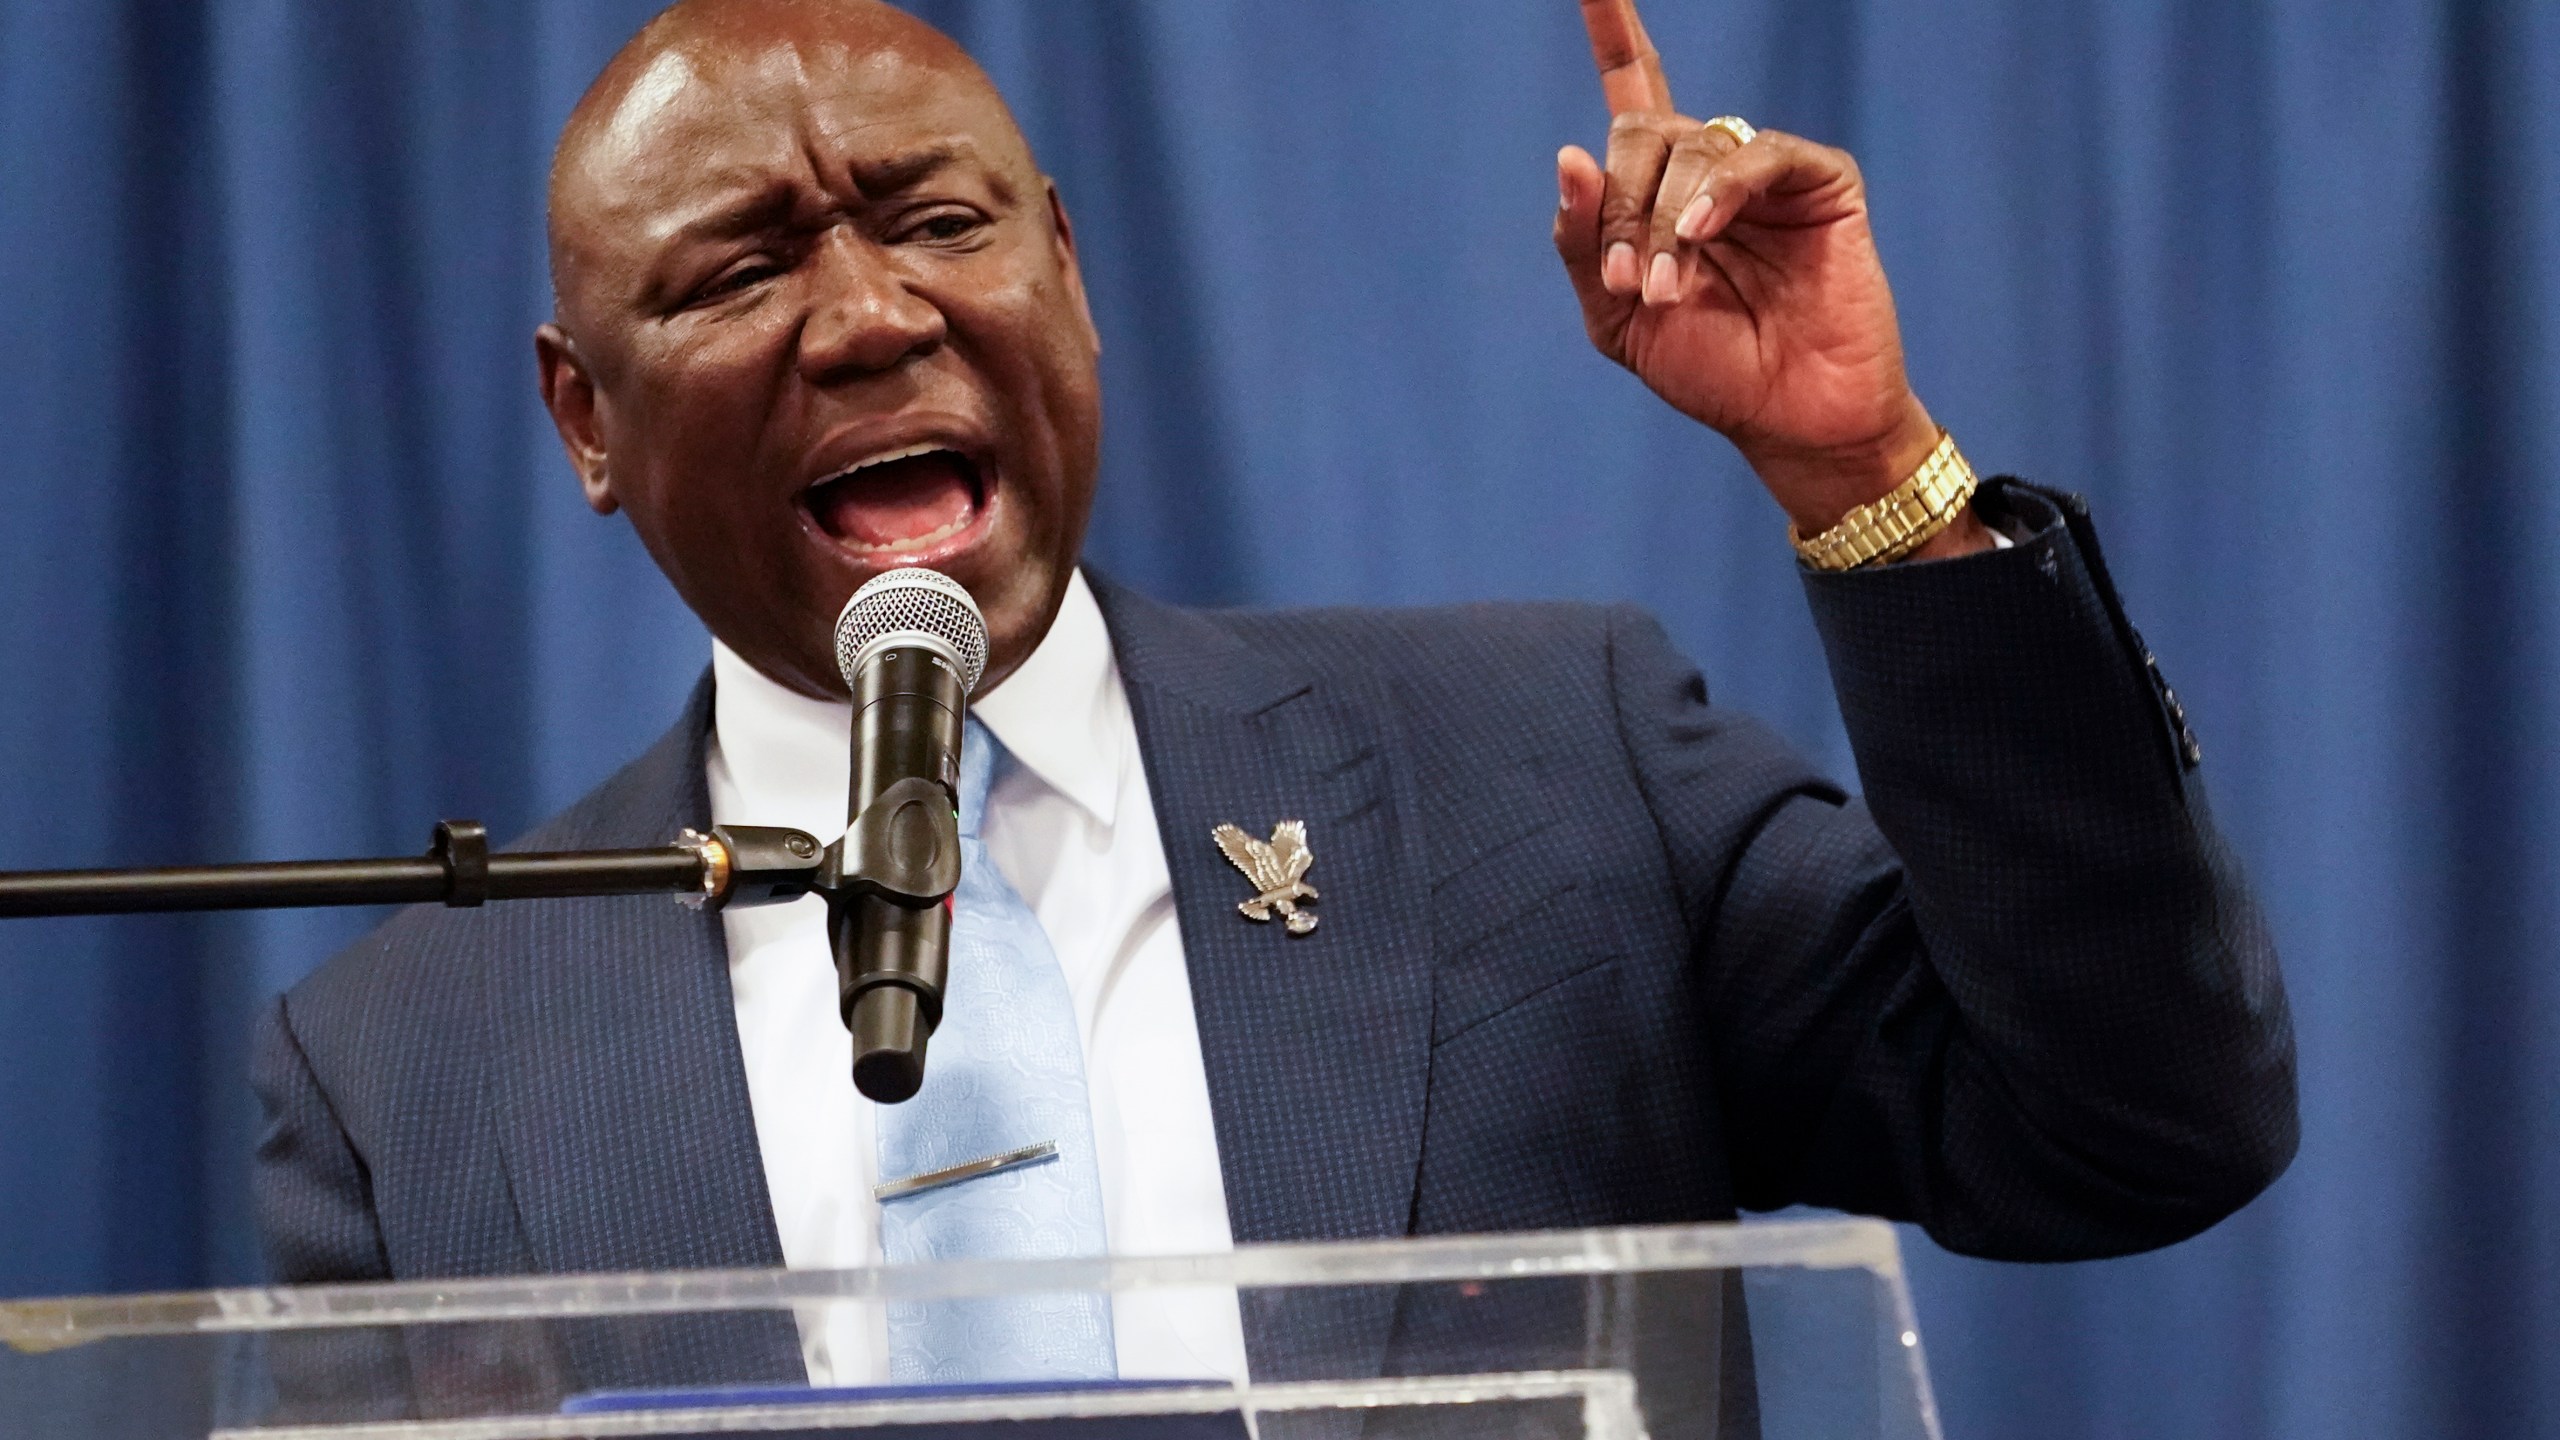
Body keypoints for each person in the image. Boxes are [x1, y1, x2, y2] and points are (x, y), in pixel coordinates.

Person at [251, 0, 2296, 1413]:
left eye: (941, 221)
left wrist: (1868, 481)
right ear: (582, 418)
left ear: (1065, 268)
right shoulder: (415, 1074)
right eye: (737, 269)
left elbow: (2125, 1128)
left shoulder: (1542, 761)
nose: (874, 312)